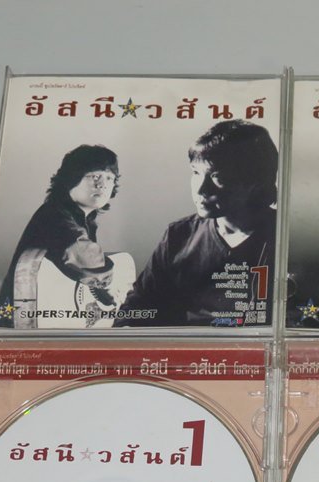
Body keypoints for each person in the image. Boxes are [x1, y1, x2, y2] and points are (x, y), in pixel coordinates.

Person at [117, 119, 278, 327]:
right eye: (196, 172)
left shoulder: (286, 237)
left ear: (255, 181)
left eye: (218, 177)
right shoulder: (179, 235)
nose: (201, 189)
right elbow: (138, 306)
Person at [0, 145, 120, 327]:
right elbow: (84, 256)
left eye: (110, 177)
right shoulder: (56, 214)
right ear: (72, 178)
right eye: (94, 176)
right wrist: (111, 286)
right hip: (23, 324)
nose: (103, 184)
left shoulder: (85, 220)